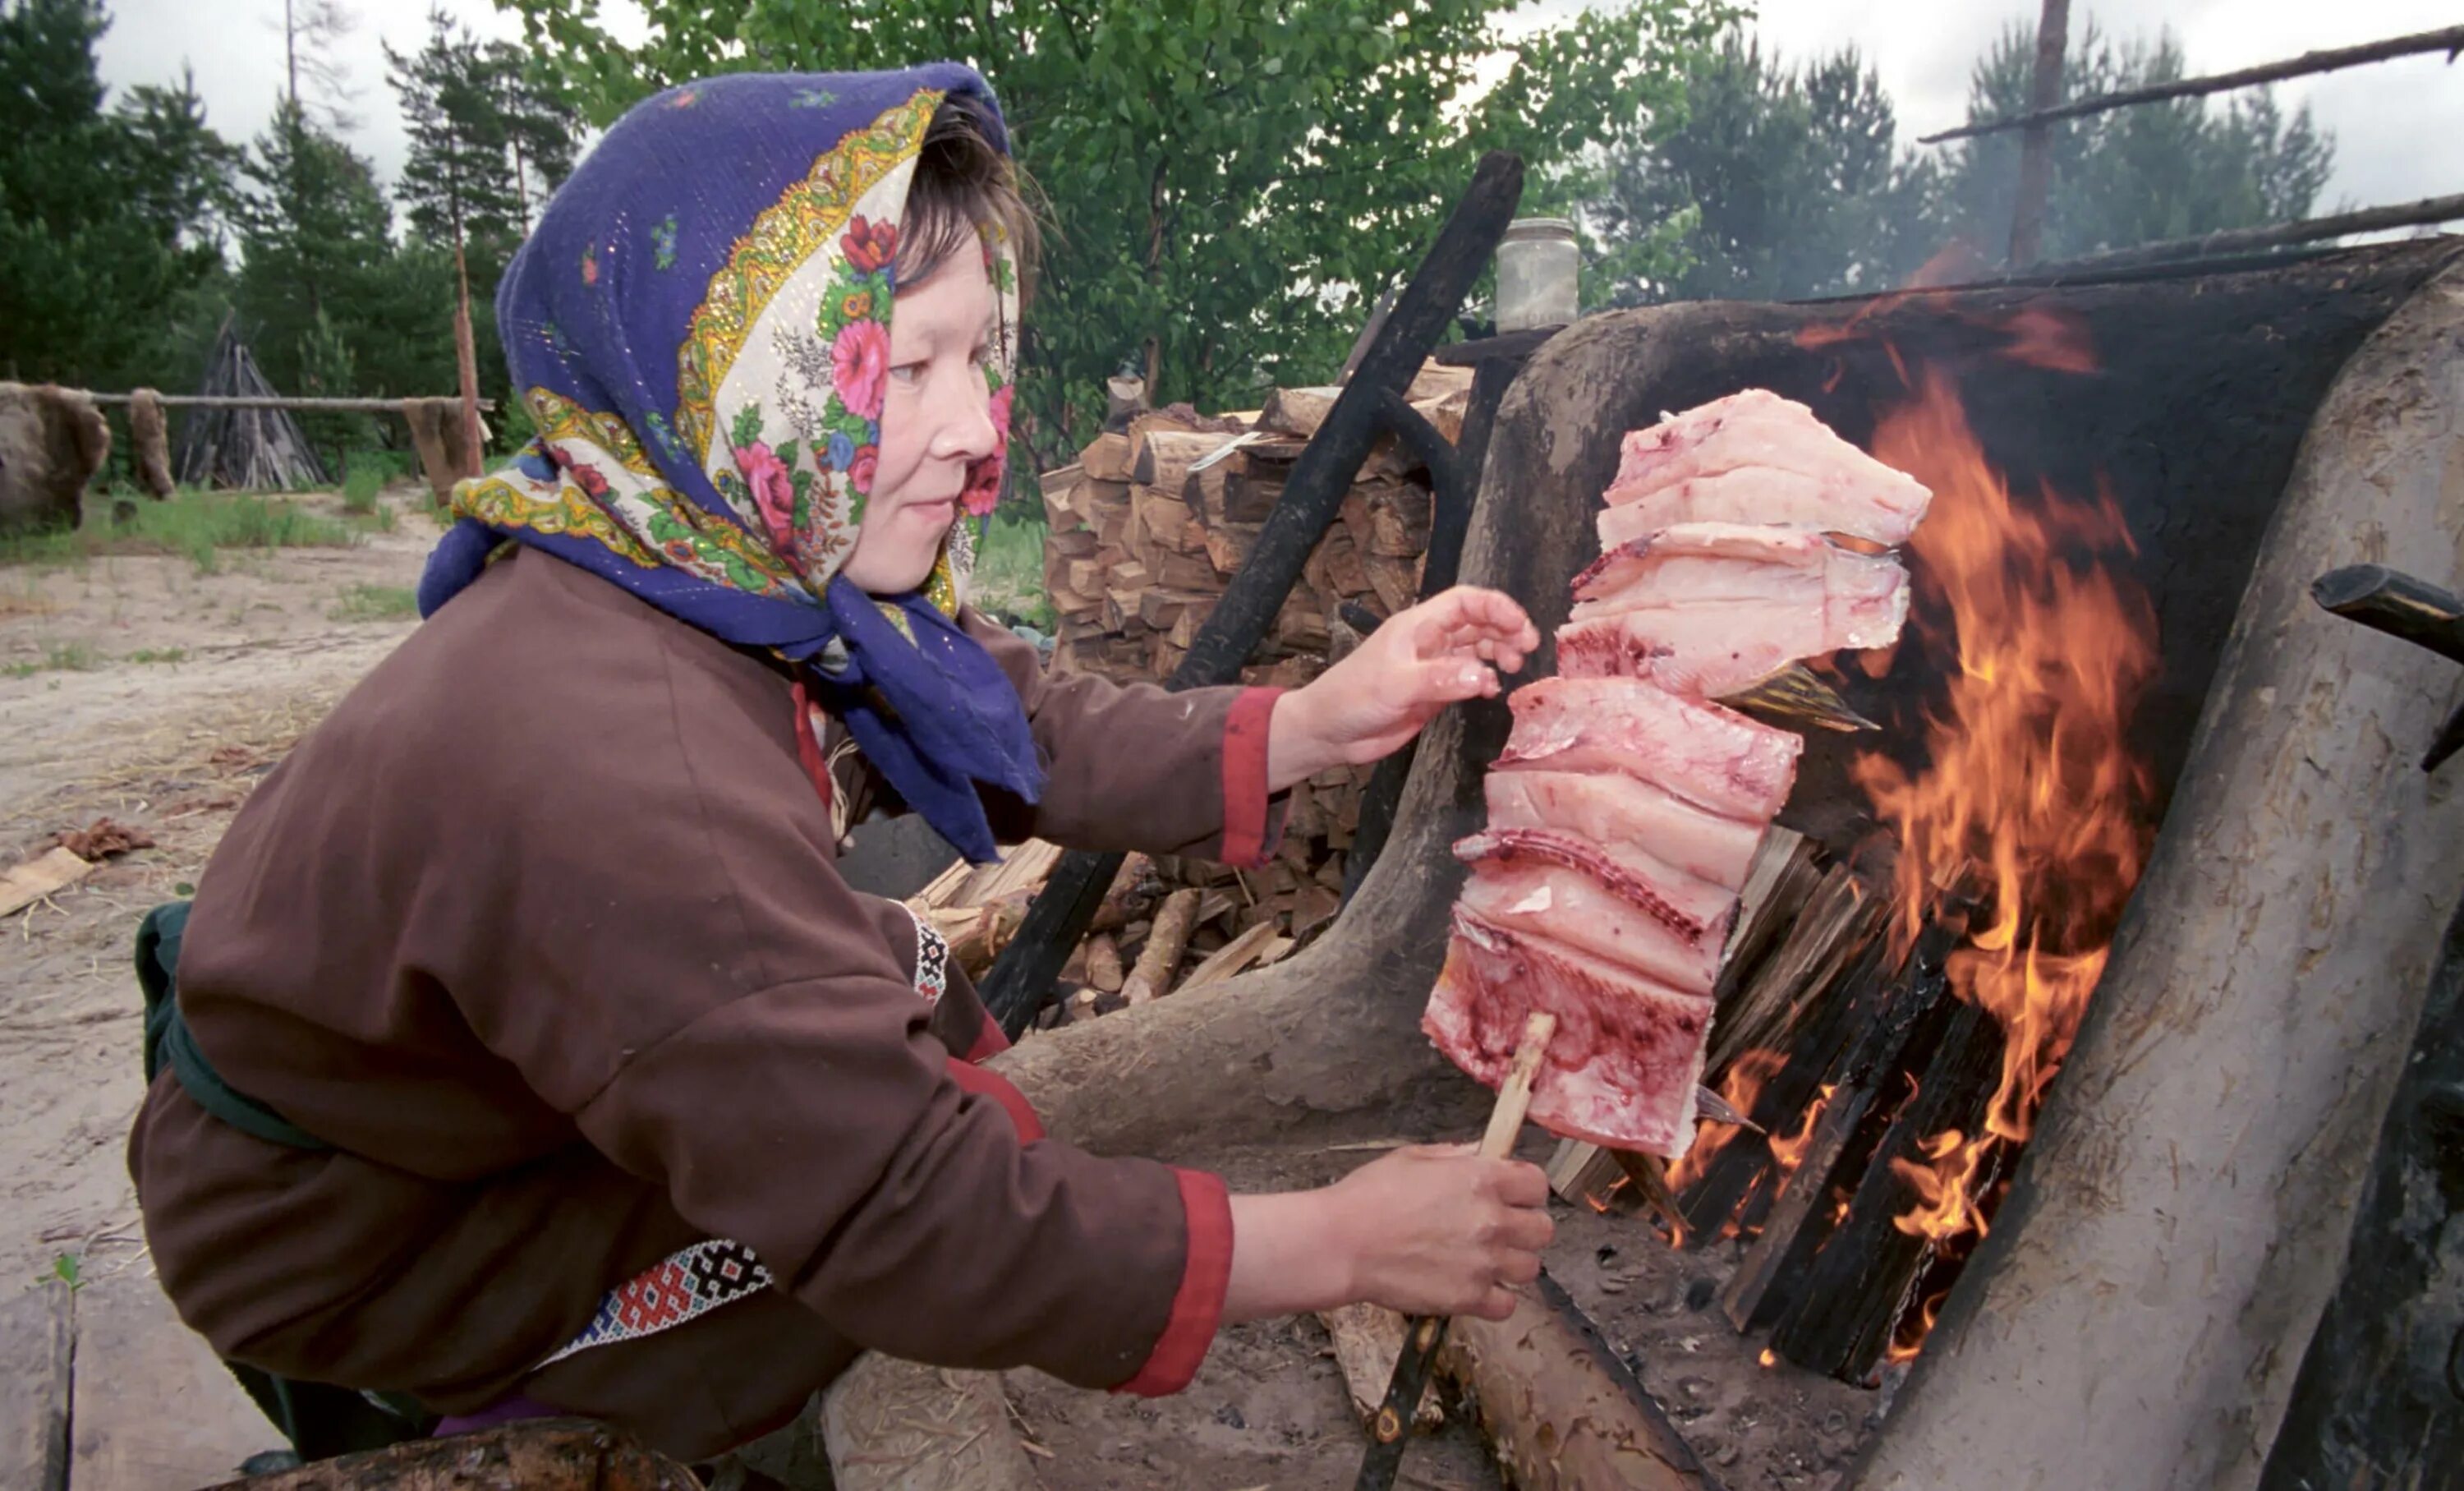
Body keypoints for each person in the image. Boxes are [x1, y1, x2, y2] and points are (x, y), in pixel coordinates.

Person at [126, 63, 1552, 1468]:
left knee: (880, 993)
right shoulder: (631, 766)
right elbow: (910, 1214)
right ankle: (535, 1399)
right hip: (338, 1221)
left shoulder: (698, 549)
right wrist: (1343, 1241)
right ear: (733, 376)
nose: (976, 424)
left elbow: (1017, 718)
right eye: (903, 365)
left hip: (448, 1097)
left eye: (977, 354)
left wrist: (1315, 720)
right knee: (813, 1270)